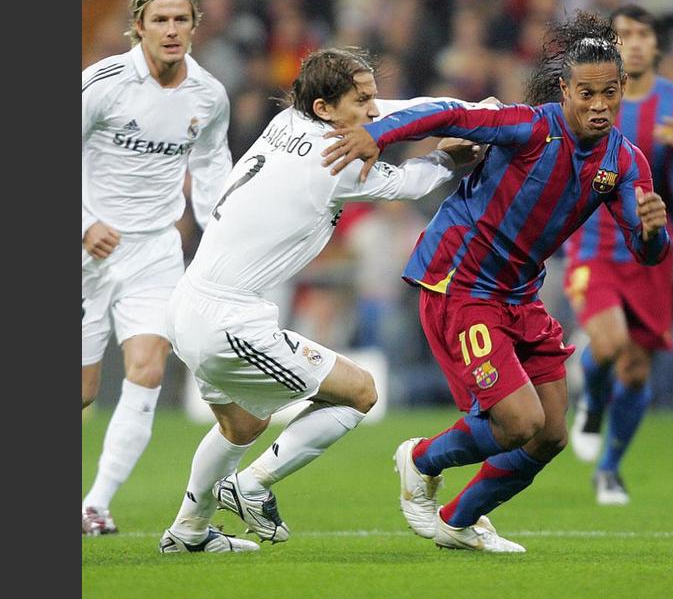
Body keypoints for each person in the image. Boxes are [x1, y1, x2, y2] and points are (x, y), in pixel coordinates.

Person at [322, 11, 672, 553]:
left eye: (609, 93)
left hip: (518, 294)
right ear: (564, 89)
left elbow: (646, 252)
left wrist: (654, 232)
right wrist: (377, 133)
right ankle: (418, 459)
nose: (599, 105)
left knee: (551, 433)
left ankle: (457, 521)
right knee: (517, 422)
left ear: (623, 87)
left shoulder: (624, 162)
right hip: (460, 282)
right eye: (586, 93)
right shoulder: (530, 127)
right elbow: (452, 114)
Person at [158, 47, 482, 554]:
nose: (373, 111)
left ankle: (187, 533)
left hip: (189, 304)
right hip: (228, 319)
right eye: (362, 100)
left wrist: (469, 111)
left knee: (242, 423)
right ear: (326, 109)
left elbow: (399, 108)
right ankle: (250, 486)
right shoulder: (332, 159)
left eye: (372, 97)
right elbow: (405, 184)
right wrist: (446, 158)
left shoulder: (290, 119)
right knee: (359, 393)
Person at [82, 0, 233, 536]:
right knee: (83, 390)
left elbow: (213, 167)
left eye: (181, 20)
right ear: (138, 27)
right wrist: (84, 223)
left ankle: (94, 503)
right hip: (87, 251)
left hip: (154, 252)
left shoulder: (208, 94)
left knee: (146, 371)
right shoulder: (102, 83)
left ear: (195, 26)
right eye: (160, 20)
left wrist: (220, 237)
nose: (171, 30)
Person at [561, 5, 673, 505]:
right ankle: (590, 403)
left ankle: (609, 469)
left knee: (636, 369)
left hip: (654, 248)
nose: (632, 42)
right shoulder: (590, 97)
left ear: (655, 44)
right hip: (593, 242)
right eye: (622, 35)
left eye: (642, 34)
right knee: (608, 346)